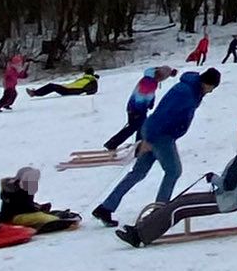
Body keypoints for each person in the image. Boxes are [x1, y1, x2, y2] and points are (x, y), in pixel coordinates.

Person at [117, 116, 237, 247]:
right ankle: (140, 229)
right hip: (227, 198)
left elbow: (227, 184)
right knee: (182, 200)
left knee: (179, 208)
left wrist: (212, 178)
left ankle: (140, 236)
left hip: (227, 201)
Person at [93, 69, 217, 227]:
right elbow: (162, 114)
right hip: (160, 135)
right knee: (173, 171)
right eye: (212, 87)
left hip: (158, 133)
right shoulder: (184, 92)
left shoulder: (193, 90)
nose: (211, 91)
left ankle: (106, 208)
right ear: (206, 83)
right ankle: (159, 213)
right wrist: (149, 138)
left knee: (138, 173)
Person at [105, 66, 174, 151]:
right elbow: (140, 97)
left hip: (136, 108)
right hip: (136, 109)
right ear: (160, 75)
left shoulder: (150, 79)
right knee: (134, 128)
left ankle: (138, 147)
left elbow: (149, 95)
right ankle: (113, 144)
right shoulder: (149, 82)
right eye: (164, 78)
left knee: (139, 127)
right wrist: (140, 110)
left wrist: (150, 102)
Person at [0, 166, 81, 233]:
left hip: (21, 214)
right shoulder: (16, 191)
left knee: (45, 215)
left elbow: (26, 204)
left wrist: (38, 206)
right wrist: (37, 208)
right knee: (47, 219)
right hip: (14, 218)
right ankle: (60, 223)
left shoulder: (22, 188)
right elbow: (23, 206)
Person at [28, 68, 100, 97]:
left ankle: (34, 93)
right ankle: (35, 93)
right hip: (69, 88)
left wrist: (85, 93)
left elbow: (94, 89)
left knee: (51, 86)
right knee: (52, 86)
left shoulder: (91, 80)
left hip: (71, 90)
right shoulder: (87, 78)